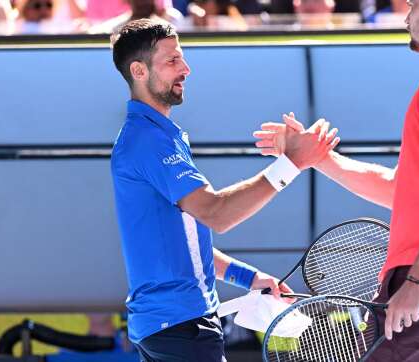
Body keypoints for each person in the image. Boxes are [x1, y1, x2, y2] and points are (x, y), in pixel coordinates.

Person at [255, 0, 419, 359]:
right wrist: (318, 158)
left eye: (414, 6)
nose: (406, 16)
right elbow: (398, 190)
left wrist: (417, 281)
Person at [109, 19, 338, 362]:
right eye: (172, 61)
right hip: (181, 329)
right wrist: (292, 163)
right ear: (139, 71)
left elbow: (181, 243)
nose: (186, 69)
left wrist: (250, 277)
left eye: (182, 58)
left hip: (166, 328)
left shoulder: (153, 135)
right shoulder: (150, 140)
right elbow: (217, 213)